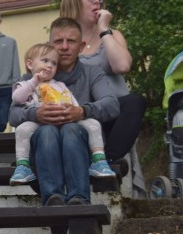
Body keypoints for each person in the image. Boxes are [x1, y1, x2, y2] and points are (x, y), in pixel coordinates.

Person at [9, 18, 120, 206]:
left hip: (79, 145)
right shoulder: (33, 77)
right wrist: (35, 114)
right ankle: (53, 198)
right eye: (58, 41)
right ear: (49, 44)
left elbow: (111, 104)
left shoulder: (92, 73)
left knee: (71, 130)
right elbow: (13, 114)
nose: (64, 47)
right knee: (47, 131)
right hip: (43, 148)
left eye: (71, 41)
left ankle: (79, 198)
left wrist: (82, 111)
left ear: (82, 46)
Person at [60, 0, 147, 185]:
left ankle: (107, 161)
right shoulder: (64, 42)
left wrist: (104, 29)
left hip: (113, 116)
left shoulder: (112, 34)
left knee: (135, 102)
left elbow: (122, 66)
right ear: (73, 3)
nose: (96, 1)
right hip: (82, 115)